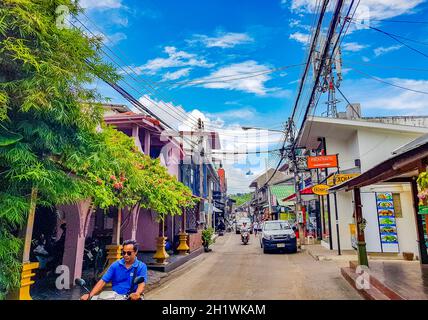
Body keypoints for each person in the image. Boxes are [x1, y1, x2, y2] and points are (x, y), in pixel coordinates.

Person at [80, 240, 147, 300]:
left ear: (135, 252)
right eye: (124, 253)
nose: (126, 255)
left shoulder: (141, 266)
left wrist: (137, 293)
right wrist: (90, 295)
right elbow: (103, 281)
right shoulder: (116, 265)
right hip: (115, 297)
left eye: (129, 253)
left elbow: (141, 284)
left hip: (132, 297)